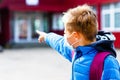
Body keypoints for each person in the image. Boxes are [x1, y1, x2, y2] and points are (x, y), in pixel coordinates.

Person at [36, 4, 120, 80]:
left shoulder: (108, 62)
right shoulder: (76, 51)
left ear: (75, 36)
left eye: (66, 32)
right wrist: (46, 36)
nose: (64, 34)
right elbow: (59, 43)